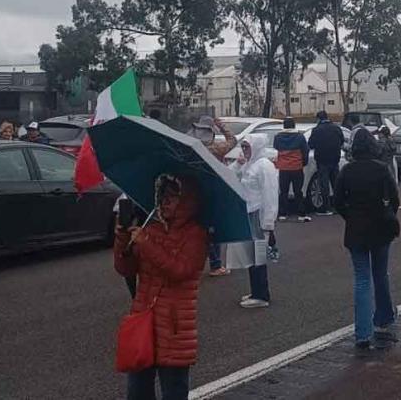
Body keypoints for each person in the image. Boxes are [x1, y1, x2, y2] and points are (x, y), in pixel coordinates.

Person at [113, 174, 207, 399]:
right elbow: (125, 269)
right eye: (162, 196)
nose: (164, 203)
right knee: (137, 392)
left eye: (172, 198)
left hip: (174, 327)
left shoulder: (196, 234)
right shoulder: (151, 226)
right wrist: (122, 238)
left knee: (173, 391)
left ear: (185, 201)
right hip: (144, 320)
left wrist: (147, 245)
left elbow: (180, 271)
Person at [334, 129, 400, 350]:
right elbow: (394, 198)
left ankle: (363, 333)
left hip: (356, 230)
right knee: (380, 273)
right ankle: (384, 316)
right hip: (381, 227)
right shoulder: (381, 170)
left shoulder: (347, 171)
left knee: (362, 279)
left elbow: (337, 202)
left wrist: (350, 216)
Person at [226, 136, 278, 309]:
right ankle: (256, 291)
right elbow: (230, 176)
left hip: (258, 216)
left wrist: (268, 223)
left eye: (247, 147)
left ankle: (262, 295)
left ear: (256, 146)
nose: (244, 150)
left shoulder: (264, 165)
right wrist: (239, 164)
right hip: (249, 214)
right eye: (243, 146)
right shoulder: (250, 163)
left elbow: (270, 195)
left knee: (259, 256)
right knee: (251, 255)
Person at [186, 116, 236, 277]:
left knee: (199, 227)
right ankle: (216, 264)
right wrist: (222, 126)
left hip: (193, 191)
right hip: (214, 191)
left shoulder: (189, 148)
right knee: (214, 229)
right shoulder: (215, 148)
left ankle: (192, 262)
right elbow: (233, 140)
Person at [274, 118, 310, 224]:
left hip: (283, 168)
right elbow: (305, 150)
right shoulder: (299, 137)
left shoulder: (278, 137)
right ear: (294, 125)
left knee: (283, 192)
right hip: (296, 167)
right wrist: (303, 163)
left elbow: (276, 148)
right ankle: (301, 214)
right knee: (298, 191)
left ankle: (282, 214)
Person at [309, 111, 345, 216]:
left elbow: (311, 144)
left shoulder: (316, 130)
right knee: (336, 184)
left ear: (319, 119)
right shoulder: (336, 128)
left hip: (322, 160)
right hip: (335, 159)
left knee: (324, 185)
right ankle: (338, 207)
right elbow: (342, 141)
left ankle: (325, 208)